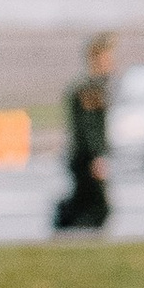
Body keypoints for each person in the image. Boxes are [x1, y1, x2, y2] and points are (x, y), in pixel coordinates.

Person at [52, 32, 113, 231]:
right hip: (85, 156)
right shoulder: (89, 89)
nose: (110, 62)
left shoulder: (94, 86)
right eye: (106, 58)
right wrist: (97, 156)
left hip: (83, 155)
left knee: (87, 203)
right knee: (97, 208)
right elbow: (89, 126)